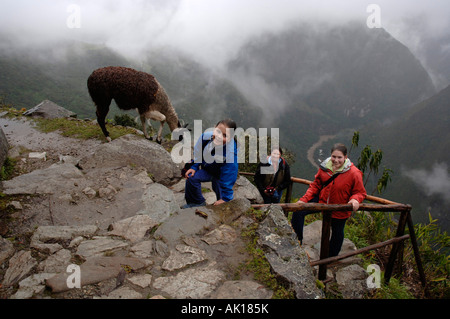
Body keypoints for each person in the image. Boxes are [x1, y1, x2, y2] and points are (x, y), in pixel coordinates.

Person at [292, 143, 366, 257]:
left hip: (340, 206)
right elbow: (316, 185)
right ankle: (297, 243)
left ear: (346, 157)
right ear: (330, 156)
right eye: (334, 156)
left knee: (337, 232)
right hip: (322, 200)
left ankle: (330, 257)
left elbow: (359, 192)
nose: (336, 160)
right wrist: (304, 200)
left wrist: (355, 200)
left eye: (339, 157)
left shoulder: (354, 173)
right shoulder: (325, 168)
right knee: (298, 211)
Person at [182, 119, 239, 208]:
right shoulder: (205, 137)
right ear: (214, 128)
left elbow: (229, 173)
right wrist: (194, 167)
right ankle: (196, 203)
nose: (219, 136)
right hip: (207, 169)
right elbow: (198, 152)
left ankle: (223, 205)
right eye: (218, 131)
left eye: (225, 135)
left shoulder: (230, 152)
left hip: (220, 175)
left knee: (222, 199)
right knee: (191, 178)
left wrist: (226, 198)